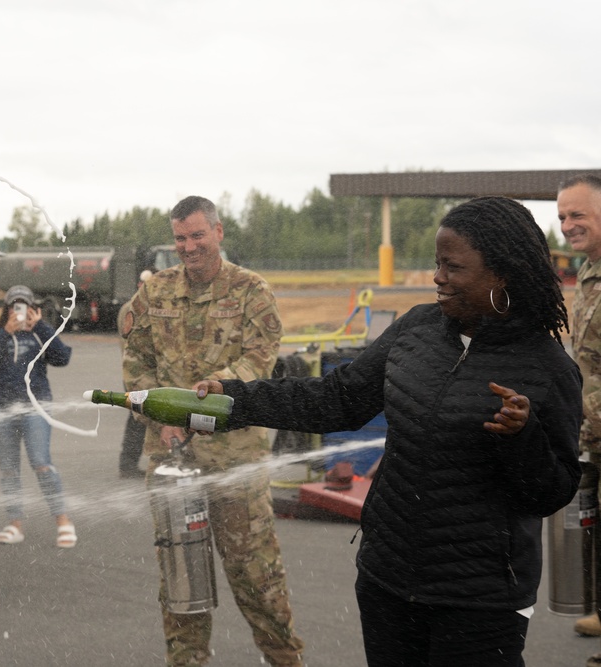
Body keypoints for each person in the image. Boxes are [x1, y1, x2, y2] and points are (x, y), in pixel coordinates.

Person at [195, 196, 582, 666]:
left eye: (452, 267)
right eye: (437, 263)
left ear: (502, 274)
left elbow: (552, 492)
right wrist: (236, 400)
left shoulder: (547, 368)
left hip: (479, 599)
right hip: (387, 578)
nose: (437, 277)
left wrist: (522, 439)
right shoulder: (417, 328)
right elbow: (337, 399)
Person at [122, 195, 304, 666]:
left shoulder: (250, 291)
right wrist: (161, 418)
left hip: (234, 462)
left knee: (256, 578)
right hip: (171, 464)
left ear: (219, 233)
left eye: (197, 235)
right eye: (180, 238)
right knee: (180, 578)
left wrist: (220, 390)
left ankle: (285, 660)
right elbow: (136, 359)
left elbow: (260, 358)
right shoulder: (154, 292)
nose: (188, 246)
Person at [0, 284, 76, 547]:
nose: (19, 311)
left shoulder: (40, 335)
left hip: (36, 406)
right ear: (7, 309)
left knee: (41, 462)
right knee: (8, 469)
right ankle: (15, 524)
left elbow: (62, 357)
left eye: (24, 306)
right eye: (14, 306)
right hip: (0, 408)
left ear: (34, 308)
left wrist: (41, 327)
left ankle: (63, 521)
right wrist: (4, 333)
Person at [558, 175, 601, 641]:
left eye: (578, 214)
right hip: (591, 430)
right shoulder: (588, 272)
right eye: (563, 217)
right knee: (592, 526)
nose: (568, 225)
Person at [117, 269, 153, 479]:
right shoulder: (131, 309)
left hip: (139, 374)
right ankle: (127, 464)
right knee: (137, 421)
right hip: (135, 375)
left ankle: (129, 463)